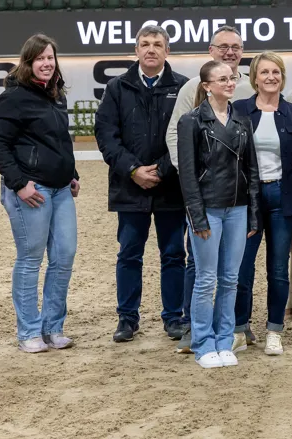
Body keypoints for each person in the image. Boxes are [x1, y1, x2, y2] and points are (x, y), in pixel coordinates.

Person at [95, 25, 190, 344]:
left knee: (174, 254)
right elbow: (106, 135)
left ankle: (173, 317)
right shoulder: (116, 87)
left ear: (167, 51)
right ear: (136, 50)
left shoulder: (184, 87)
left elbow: (185, 135)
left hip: (171, 186)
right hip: (129, 187)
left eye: (158, 44)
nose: (151, 49)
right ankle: (127, 318)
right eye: (145, 44)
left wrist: (161, 170)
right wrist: (133, 169)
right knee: (130, 253)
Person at [0, 34, 81, 354]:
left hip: (61, 190)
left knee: (64, 255)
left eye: (50, 58)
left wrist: (73, 173)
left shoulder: (56, 95)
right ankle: (28, 330)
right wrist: (18, 184)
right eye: (39, 58)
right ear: (27, 63)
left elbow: (59, 141)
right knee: (30, 259)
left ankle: (53, 327)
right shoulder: (13, 98)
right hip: (32, 190)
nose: (46, 63)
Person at [166, 25, 255, 353]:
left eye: (236, 46)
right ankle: (194, 327)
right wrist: (193, 174)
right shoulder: (193, 88)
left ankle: (237, 325)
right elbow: (175, 136)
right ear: (211, 49)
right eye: (223, 46)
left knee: (237, 269)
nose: (230, 52)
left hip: (238, 197)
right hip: (205, 196)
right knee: (200, 268)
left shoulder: (249, 87)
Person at [231, 51, 292, 356]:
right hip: (248, 200)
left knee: (278, 269)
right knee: (242, 269)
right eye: (264, 72)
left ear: (282, 76)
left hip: (285, 198)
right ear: (254, 78)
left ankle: (274, 330)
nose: (270, 77)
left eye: (276, 72)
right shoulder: (239, 111)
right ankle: (241, 329)